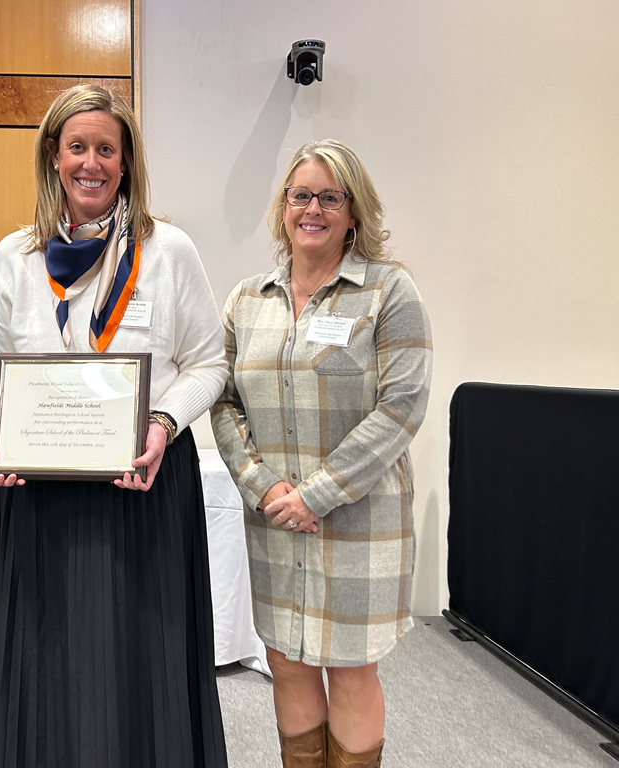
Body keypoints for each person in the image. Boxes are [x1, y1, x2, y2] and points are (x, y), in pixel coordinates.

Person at [0, 84, 229, 768]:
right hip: (39, 488)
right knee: (47, 656)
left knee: (139, 652)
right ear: (53, 156)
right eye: (77, 147)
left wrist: (162, 422)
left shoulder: (168, 249)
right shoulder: (16, 256)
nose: (92, 163)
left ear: (126, 162)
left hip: (141, 479)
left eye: (106, 149)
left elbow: (210, 362)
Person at [210, 139, 432, 768]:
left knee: (351, 669)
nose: (313, 208)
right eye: (300, 195)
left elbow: (402, 407)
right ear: (283, 208)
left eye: (329, 197)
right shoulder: (246, 301)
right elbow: (224, 403)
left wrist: (318, 493)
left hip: (359, 522)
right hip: (274, 518)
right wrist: (265, 488)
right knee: (286, 663)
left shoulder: (389, 292)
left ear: (353, 211)